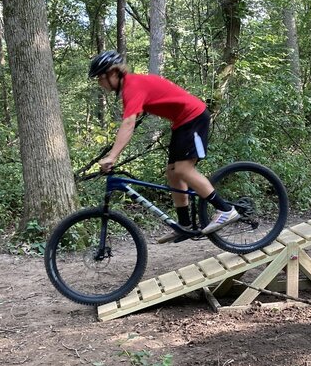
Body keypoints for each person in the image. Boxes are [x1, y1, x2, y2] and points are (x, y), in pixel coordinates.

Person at [90, 50, 238, 242]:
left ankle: (225, 209)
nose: (99, 83)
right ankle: (184, 225)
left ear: (113, 73)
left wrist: (112, 156)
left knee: (184, 170)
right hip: (181, 122)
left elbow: (128, 124)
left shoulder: (132, 86)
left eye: (100, 77)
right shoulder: (131, 86)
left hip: (194, 117)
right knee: (172, 173)